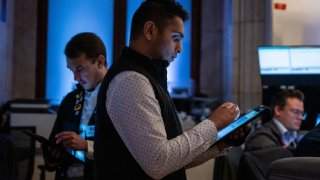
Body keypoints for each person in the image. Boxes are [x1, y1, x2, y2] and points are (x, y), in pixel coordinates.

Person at [94, 1, 248, 179]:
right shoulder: (130, 80)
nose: (180, 48)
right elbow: (159, 162)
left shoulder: (148, 76)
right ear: (150, 30)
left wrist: (221, 142)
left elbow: (173, 160)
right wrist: (213, 123)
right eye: (176, 38)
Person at [42, 32, 108, 180]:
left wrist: (86, 146)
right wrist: (52, 154)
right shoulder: (70, 100)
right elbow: (54, 144)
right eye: (71, 70)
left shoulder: (118, 96)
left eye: (80, 69)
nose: (75, 78)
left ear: (100, 62)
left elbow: (123, 152)